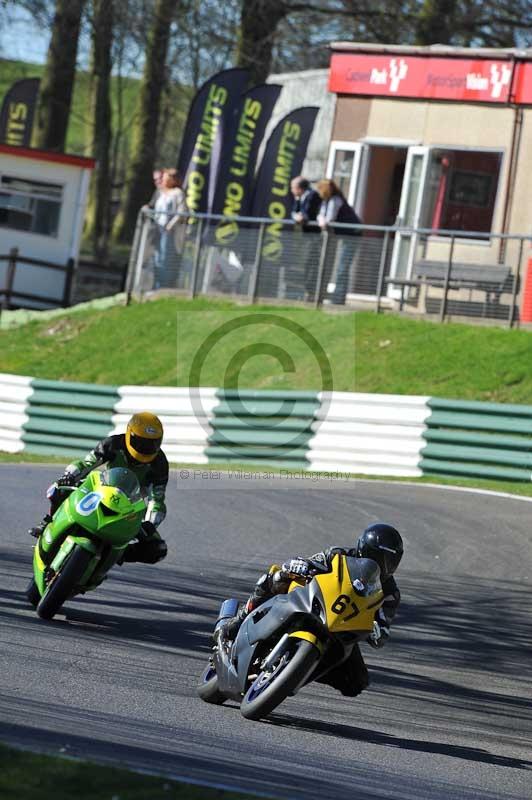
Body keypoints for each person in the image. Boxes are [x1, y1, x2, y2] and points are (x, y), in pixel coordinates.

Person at [216, 522, 403, 697]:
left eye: (390, 561)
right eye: (378, 558)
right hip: (310, 601)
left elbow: (383, 627)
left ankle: (298, 672)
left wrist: (378, 631)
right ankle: (238, 620)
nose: (383, 565)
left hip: (342, 627)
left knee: (356, 683)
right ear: (364, 550)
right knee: (277, 577)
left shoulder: (390, 593)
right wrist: (299, 565)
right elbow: (309, 561)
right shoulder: (338, 555)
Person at [28, 413, 169, 565]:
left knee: (157, 549)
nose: (146, 448)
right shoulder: (113, 443)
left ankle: (116, 554)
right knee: (60, 488)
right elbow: (87, 463)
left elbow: (157, 499)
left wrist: (150, 523)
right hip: (103, 489)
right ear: (129, 434)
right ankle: (49, 523)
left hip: (131, 507)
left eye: (152, 444)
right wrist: (70, 475)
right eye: (141, 443)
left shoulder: (159, 463)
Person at [316, 178, 362, 305]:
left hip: (351, 235)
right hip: (341, 235)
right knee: (334, 266)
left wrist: (323, 221)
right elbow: (321, 215)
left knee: (343, 267)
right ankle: (327, 295)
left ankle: (338, 298)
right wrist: (321, 219)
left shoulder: (336, 200)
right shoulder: (327, 201)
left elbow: (329, 219)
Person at [153, 168, 187, 289]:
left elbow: (182, 212)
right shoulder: (161, 192)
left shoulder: (178, 193)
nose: (163, 179)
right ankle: (156, 285)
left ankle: (164, 287)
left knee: (165, 259)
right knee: (157, 258)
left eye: (166, 177)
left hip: (169, 232)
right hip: (158, 229)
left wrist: (170, 225)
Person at [290, 176, 322, 300]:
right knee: (307, 264)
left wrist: (300, 216)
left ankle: (311, 293)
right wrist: (297, 212)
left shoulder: (312, 195)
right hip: (307, 236)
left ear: (299, 188)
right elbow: (294, 212)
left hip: (315, 237)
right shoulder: (299, 197)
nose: (291, 190)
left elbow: (306, 214)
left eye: (292, 188)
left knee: (312, 264)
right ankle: (307, 291)